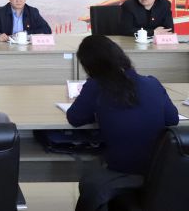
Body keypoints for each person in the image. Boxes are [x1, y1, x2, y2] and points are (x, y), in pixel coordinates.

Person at [67, 35, 178, 211]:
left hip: (123, 169)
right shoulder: (152, 83)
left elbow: (74, 118)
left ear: (90, 66)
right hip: (160, 169)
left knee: (89, 176)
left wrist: (97, 112)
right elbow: (172, 119)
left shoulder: (96, 85)